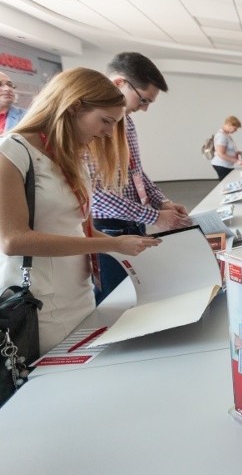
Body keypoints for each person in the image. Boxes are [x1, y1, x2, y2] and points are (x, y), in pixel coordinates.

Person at [0, 68, 161, 353]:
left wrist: (121, 247)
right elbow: (14, 241)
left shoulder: (71, 154)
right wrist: (110, 243)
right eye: (105, 121)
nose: (108, 133)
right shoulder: (12, 153)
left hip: (81, 294)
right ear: (74, 107)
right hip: (41, 306)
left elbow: (76, 228)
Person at [91, 52, 192, 304]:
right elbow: (97, 194)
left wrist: (162, 202)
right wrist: (155, 216)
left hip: (133, 220)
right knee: (114, 300)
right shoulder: (92, 126)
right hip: (108, 227)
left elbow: (135, 171)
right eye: (143, 100)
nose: (144, 109)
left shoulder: (127, 122)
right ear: (119, 84)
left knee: (137, 293)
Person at [211, 115, 242, 180]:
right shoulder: (221, 136)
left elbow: (227, 149)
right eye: (235, 128)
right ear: (229, 125)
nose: (235, 131)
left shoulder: (226, 135)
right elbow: (221, 154)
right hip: (221, 165)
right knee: (226, 184)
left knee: (229, 182)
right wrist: (236, 161)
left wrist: (238, 152)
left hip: (227, 165)